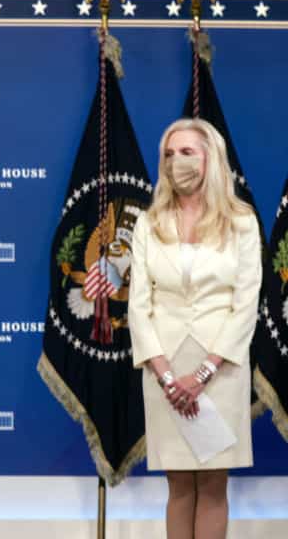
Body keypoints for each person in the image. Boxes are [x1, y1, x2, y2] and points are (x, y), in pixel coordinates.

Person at [128, 118, 261, 539]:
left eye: (187, 152)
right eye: (169, 154)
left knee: (213, 485)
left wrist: (203, 373)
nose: (176, 161)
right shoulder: (148, 223)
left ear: (211, 158)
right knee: (179, 486)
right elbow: (138, 307)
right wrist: (168, 376)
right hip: (163, 369)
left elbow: (245, 304)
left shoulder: (241, 222)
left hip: (220, 368)